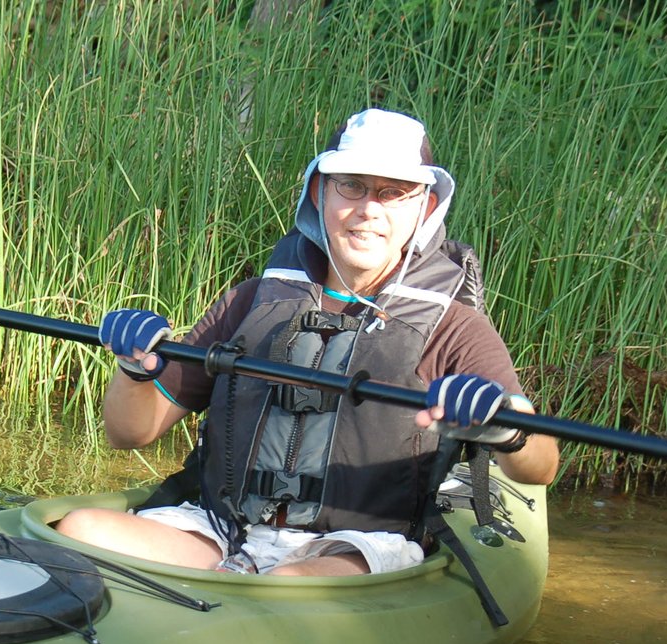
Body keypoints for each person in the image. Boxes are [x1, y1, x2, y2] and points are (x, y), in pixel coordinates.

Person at [56, 108, 559, 576]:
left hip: (355, 547)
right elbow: (129, 434)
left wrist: (506, 429)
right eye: (353, 187)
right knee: (83, 528)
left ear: (424, 207)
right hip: (221, 530)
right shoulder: (254, 301)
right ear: (322, 191)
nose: (368, 210)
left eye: (392, 193)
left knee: (288, 584)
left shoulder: (455, 328)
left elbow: (541, 467)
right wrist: (134, 368)